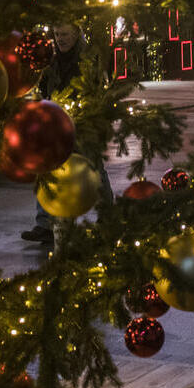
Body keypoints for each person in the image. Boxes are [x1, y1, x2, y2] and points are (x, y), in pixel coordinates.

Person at [21, 22, 114, 245]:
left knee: (92, 166)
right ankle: (44, 224)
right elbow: (42, 87)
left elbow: (100, 88)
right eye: (57, 34)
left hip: (83, 122)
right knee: (47, 169)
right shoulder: (51, 58)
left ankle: (109, 216)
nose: (60, 38)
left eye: (64, 34)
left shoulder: (89, 57)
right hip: (55, 121)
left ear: (76, 34)